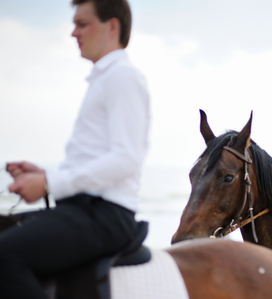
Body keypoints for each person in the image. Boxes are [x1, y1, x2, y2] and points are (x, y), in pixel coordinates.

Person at [0, 0, 150, 297]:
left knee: (4, 257)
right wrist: (45, 175)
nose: (73, 33)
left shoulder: (122, 77)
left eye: (82, 24)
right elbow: (98, 161)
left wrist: (49, 183)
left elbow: (127, 159)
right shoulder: (105, 78)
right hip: (85, 209)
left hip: (105, 215)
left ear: (112, 27)